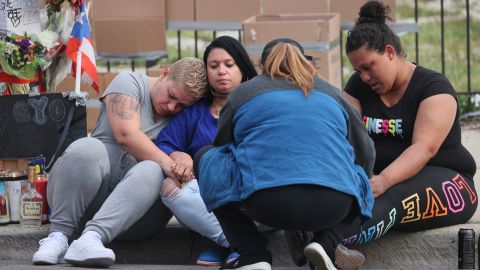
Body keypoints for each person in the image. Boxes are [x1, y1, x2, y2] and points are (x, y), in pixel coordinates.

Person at [194, 38, 375, 270]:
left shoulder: (243, 93)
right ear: (305, 62)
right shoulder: (332, 93)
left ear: (263, 65)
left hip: (265, 202)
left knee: (206, 158)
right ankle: (326, 243)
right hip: (333, 205)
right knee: (361, 175)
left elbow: (222, 146)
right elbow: (367, 153)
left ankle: (253, 255)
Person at [32, 57, 208, 267]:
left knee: (152, 169)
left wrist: (182, 157)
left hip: (137, 217)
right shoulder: (129, 82)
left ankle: (91, 238)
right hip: (85, 201)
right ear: (165, 73)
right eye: (171, 96)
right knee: (87, 147)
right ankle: (57, 238)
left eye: (181, 105)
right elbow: (126, 134)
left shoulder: (185, 116)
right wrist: (170, 164)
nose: (172, 106)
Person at [340, 0, 478, 248]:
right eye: (358, 71)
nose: (364, 77)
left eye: (368, 67)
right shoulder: (357, 87)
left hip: (450, 184)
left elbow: (423, 149)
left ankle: (331, 243)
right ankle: (317, 239)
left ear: (390, 52)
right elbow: (347, 138)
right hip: (378, 182)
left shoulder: (434, 89)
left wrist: (381, 181)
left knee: (391, 196)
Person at [155, 36, 257, 266]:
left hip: (251, 194)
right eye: (214, 66)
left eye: (229, 65)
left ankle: (236, 242)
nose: (221, 71)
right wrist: (179, 155)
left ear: (242, 67)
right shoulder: (196, 112)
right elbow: (164, 143)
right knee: (170, 188)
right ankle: (235, 243)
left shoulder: (258, 106)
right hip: (207, 197)